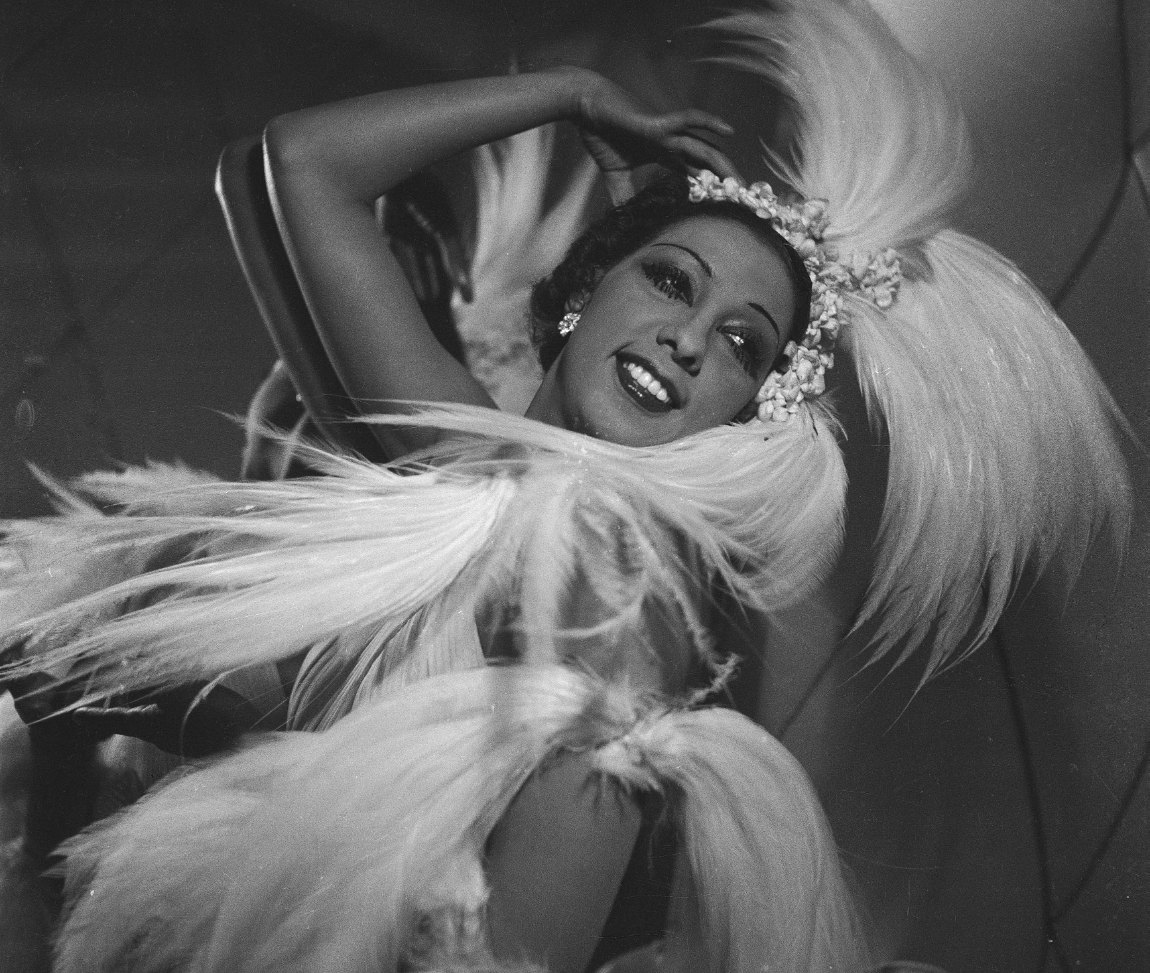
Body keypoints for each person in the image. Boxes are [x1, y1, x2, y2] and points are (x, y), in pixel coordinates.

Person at [0, 2, 1131, 971]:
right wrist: (571, 95)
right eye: (671, 281)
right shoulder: (468, 456)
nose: (689, 338)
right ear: (587, 291)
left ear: (746, 414)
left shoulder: (615, 580)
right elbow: (294, 166)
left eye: (741, 343)